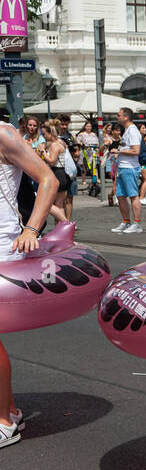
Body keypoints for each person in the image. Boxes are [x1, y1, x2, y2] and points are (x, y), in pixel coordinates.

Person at [0, 123, 58, 450]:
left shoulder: (3, 134)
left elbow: (48, 179)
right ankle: (9, 410)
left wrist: (32, 230)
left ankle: (4, 424)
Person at [37, 121, 71, 224]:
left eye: (45, 134)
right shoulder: (61, 142)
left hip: (58, 174)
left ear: (51, 133)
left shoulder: (55, 145)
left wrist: (43, 151)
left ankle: (66, 223)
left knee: (47, 203)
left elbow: (52, 161)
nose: (44, 136)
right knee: (59, 204)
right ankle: (60, 228)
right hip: (63, 174)